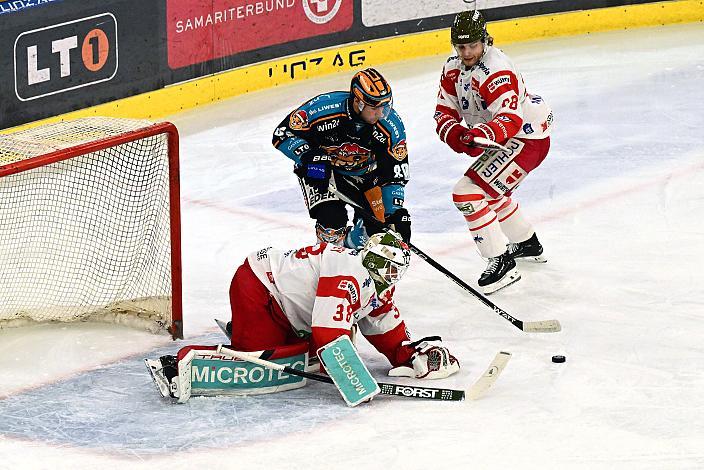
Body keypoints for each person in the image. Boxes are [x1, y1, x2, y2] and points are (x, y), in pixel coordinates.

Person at [223, 231, 459, 379]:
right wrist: (350, 377)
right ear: (374, 261)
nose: (393, 276)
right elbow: (328, 330)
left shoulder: (376, 282)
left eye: (398, 271)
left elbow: (383, 324)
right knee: (261, 365)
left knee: (303, 354)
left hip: (290, 308)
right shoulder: (348, 272)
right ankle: (240, 337)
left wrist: (406, 355)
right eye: (390, 268)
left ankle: (256, 330)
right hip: (259, 286)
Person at [434, 10, 553, 294]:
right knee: (490, 192)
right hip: (511, 139)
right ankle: (526, 243)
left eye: (472, 45)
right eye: (460, 47)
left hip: (527, 139)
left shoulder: (496, 70)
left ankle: (501, 262)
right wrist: (456, 134)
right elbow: (444, 111)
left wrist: (477, 136)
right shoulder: (452, 68)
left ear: (484, 41)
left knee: (467, 193)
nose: (466, 52)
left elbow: (509, 119)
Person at [272, 67, 411, 250]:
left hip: (368, 176)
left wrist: (395, 213)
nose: (381, 114)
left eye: (385, 107)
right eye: (375, 108)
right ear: (358, 102)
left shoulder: (391, 126)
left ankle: (347, 246)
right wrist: (308, 155)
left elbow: (395, 174)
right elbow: (282, 134)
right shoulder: (323, 109)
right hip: (324, 171)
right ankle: (326, 261)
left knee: (374, 236)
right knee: (331, 224)